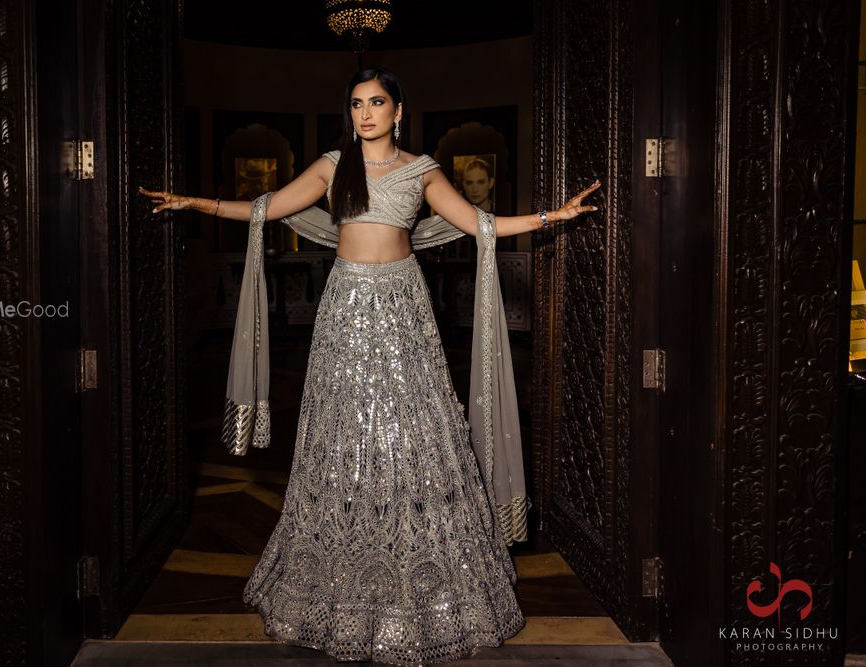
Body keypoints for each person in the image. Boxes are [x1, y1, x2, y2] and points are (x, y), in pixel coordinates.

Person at [139, 66, 600, 666]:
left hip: (403, 307)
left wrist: (550, 218)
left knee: (415, 435)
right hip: (345, 309)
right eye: (356, 104)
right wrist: (196, 201)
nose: (365, 113)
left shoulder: (422, 170)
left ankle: (431, 590)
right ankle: (335, 583)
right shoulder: (334, 166)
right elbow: (266, 207)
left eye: (376, 102)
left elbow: (480, 226)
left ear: (398, 110)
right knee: (343, 434)